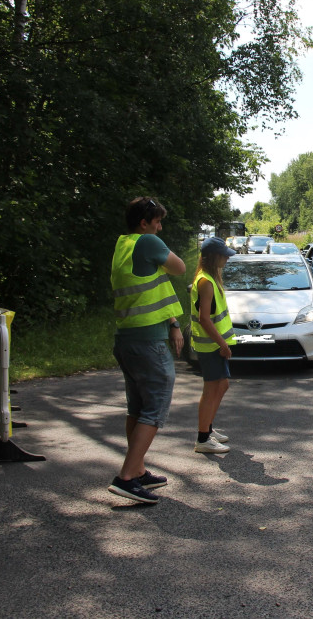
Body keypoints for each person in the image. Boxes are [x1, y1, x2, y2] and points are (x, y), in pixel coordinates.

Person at [107, 197, 185, 504]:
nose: (160, 227)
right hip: (148, 342)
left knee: (137, 408)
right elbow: (178, 268)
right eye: (157, 222)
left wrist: (173, 321)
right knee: (154, 409)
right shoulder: (148, 243)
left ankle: (137, 470)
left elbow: (153, 285)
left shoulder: (123, 245)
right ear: (144, 223)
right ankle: (126, 477)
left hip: (128, 338)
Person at [190, 237, 238, 454]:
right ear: (212, 257)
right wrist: (222, 345)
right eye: (224, 254)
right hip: (211, 346)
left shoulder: (210, 277)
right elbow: (204, 319)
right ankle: (202, 438)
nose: (227, 257)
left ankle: (207, 429)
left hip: (214, 345)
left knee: (222, 385)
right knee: (212, 389)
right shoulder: (206, 282)